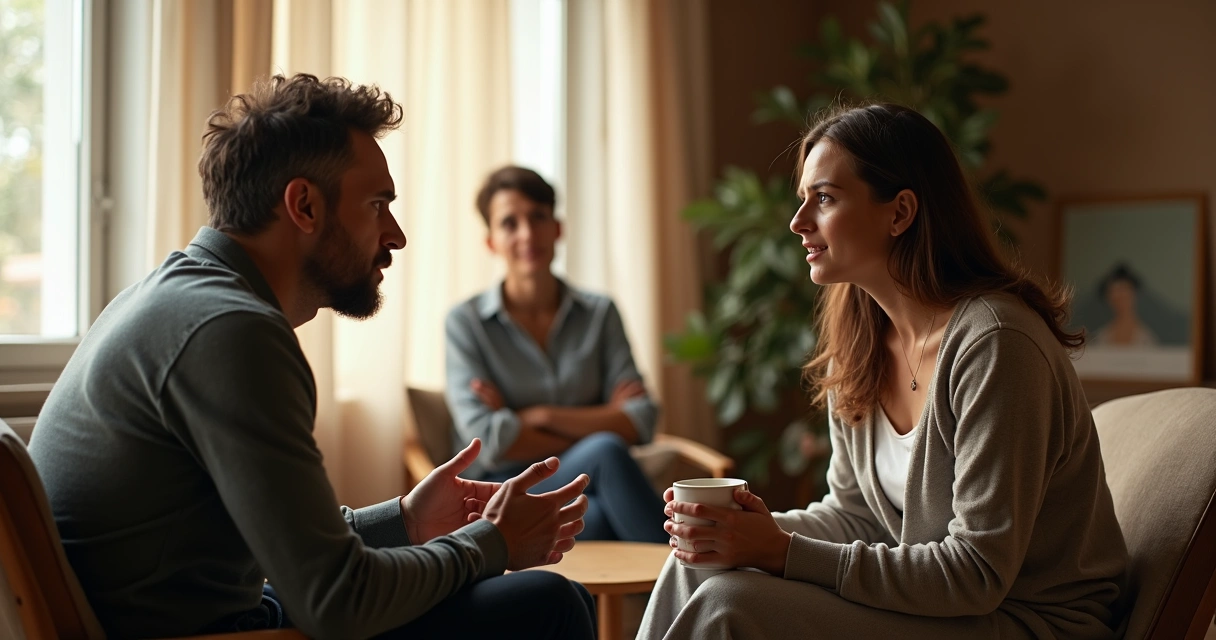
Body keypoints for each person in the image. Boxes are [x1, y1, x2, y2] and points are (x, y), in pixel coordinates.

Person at [28, 74, 596, 640]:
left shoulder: (173, 297)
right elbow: (338, 599)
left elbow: (284, 544)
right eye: (378, 206)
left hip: (196, 615)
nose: (395, 236)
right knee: (546, 601)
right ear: (303, 205)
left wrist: (406, 521)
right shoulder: (230, 331)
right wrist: (489, 544)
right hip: (204, 634)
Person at [638, 103, 1128, 639]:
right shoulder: (863, 338)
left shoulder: (996, 346)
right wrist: (741, 534)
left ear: (900, 213)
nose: (798, 222)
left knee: (729, 603)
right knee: (696, 563)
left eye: (823, 198)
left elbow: (978, 574)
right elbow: (858, 516)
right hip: (943, 609)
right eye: (803, 200)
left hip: (1030, 620)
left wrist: (781, 552)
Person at [444, 166, 668, 544]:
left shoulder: (600, 313)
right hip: (500, 489)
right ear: (491, 242)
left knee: (596, 518)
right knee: (606, 452)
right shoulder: (466, 323)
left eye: (538, 218)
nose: (527, 234)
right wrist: (602, 422)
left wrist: (535, 418)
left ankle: (684, 596)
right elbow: (489, 440)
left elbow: (642, 419)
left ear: (558, 228)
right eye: (509, 223)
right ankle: (696, 593)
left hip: (586, 483)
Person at [1093, 262, 1158, 346]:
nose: (1120, 298)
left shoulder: (1146, 339)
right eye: (1114, 293)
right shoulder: (1101, 337)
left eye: (1124, 290)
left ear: (1134, 294)